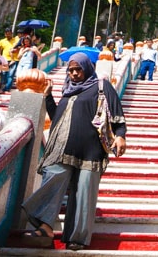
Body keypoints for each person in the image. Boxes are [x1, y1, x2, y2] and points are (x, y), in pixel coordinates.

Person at [21, 53, 127, 251]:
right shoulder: (67, 92)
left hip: (91, 151)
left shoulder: (101, 87)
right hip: (62, 149)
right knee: (53, 177)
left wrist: (120, 135)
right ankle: (45, 229)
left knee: (84, 192)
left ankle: (77, 238)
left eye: (78, 69)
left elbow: (117, 117)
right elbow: (56, 119)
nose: (75, 73)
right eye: (71, 70)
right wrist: (49, 97)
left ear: (87, 68)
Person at [0, 27, 19, 91]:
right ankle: (2, 87)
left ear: (12, 34)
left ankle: (7, 89)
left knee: (11, 75)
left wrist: (15, 50)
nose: (9, 35)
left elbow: (20, 48)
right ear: (5, 34)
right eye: (7, 34)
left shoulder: (16, 40)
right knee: (4, 74)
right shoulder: (2, 41)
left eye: (10, 34)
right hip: (4, 60)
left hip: (14, 60)